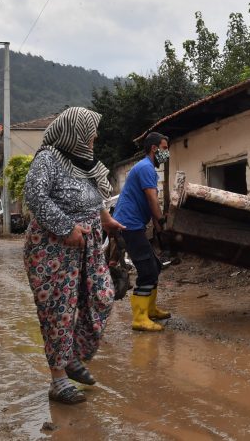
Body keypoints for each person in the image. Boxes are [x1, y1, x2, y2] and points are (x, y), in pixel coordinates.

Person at [23, 107, 123, 405]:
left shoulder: (84, 164)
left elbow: (95, 196)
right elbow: (35, 196)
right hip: (53, 247)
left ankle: (71, 356)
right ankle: (58, 379)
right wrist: (66, 228)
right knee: (59, 310)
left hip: (88, 244)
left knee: (103, 296)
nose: (93, 141)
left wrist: (105, 218)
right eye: (89, 136)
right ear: (74, 134)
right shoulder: (48, 159)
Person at [112, 131, 171, 332]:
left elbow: (150, 202)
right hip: (129, 225)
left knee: (155, 265)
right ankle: (139, 318)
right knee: (147, 270)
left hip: (132, 223)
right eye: (164, 148)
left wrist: (158, 226)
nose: (167, 153)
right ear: (154, 148)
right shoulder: (146, 168)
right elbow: (152, 199)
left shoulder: (146, 169)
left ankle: (150, 309)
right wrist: (161, 221)